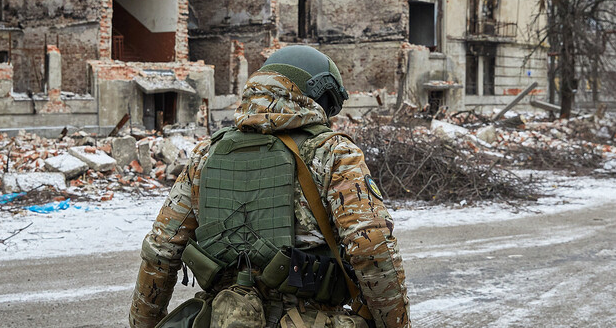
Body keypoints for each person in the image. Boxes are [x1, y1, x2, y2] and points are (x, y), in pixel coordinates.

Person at [129, 46, 410, 328]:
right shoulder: (333, 153)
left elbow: (161, 250)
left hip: (225, 318)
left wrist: (144, 323)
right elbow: (371, 250)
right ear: (321, 95)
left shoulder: (206, 155)